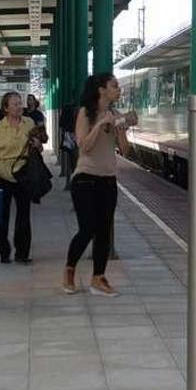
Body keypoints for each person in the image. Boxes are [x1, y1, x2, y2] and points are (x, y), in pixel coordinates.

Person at [63, 73, 137, 297]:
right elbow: (84, 146)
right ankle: (69, 270)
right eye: (114, 86)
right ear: (101, 90)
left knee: (105, 230)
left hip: (108, 179)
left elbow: (125, 151)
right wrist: (101, 124)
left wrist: (121, 130)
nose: (118, 89)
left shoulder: (115, 115)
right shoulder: (85, 113)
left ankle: (99, 278)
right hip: (85, 178)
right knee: (87, 228)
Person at [0, 92, 45, 264]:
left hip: (24, 174)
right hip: (2, 176)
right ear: (6, 108)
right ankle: (3, 250)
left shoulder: (29, 123)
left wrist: (38, 145)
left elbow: (38, 145)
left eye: (20, 103)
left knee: (24, 215)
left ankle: (22, 253)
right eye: (15, 104)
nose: (19, 107)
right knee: (0, 217)